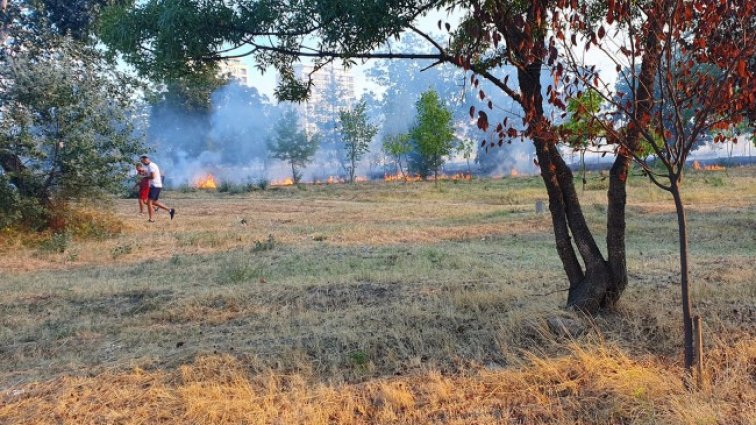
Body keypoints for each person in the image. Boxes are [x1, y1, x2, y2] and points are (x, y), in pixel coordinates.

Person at [139, 155, 175, 222]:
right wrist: (144, 173)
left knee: (149, 202)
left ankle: (151, 219)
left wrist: (145, 177)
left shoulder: (151, 166)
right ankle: (170, 210)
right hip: (155, 185)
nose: (142, 162)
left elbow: (153, 176)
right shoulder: (150, 166)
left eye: (143, 161)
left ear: (146, 159)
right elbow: (150, 174)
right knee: (154, 202)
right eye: (141, 161)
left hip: (155, 185)